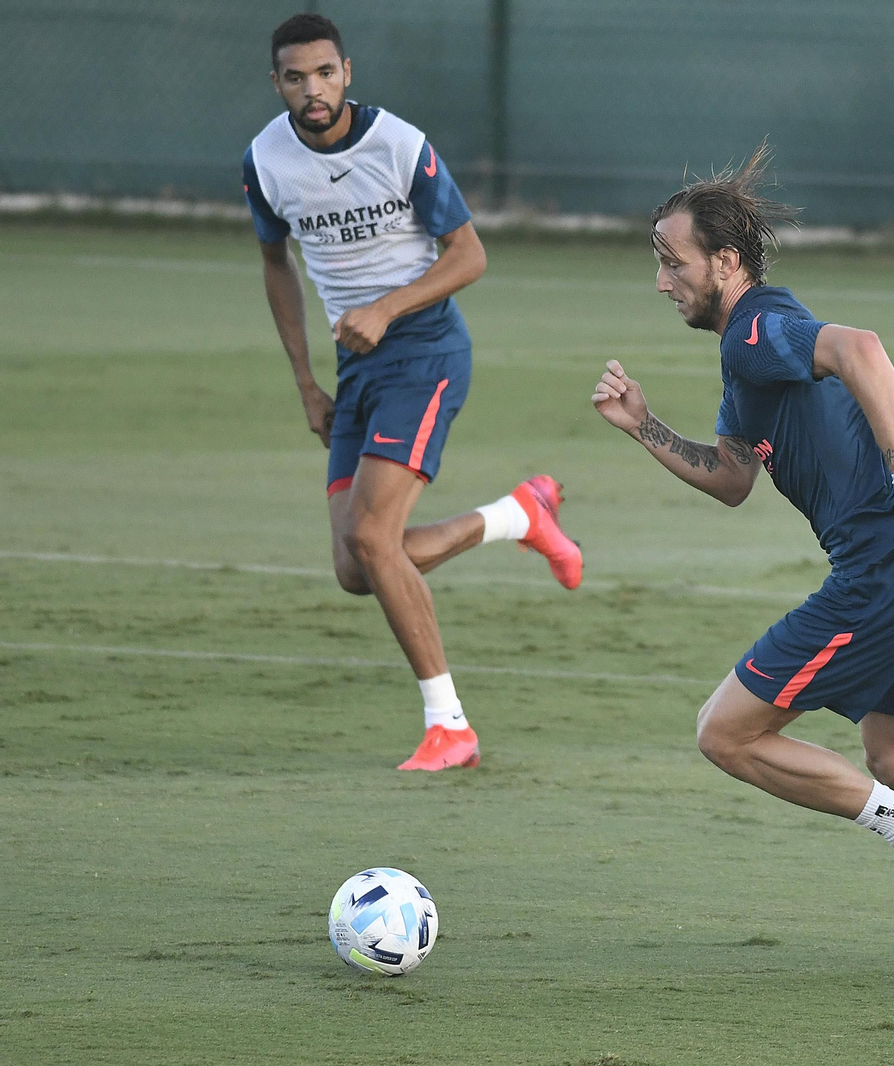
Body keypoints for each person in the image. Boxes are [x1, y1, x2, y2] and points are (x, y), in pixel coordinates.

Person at [590, 147, 894, 976]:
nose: (663, 280)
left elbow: (863, 349)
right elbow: (733, 476)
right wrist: (643, 424)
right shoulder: (744, 357)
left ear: (726, 261)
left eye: (673, 262)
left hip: (886, 565)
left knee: (727, 733)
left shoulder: (757, 328)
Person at [244, 13, 583, 771]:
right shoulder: (265, 160)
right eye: (296, 78)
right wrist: (305, 382)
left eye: (325, 73)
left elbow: (470, 255)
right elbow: (276, 264)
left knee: (372, 538)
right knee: (355, 569)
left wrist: (387, 307)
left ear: (347, 72)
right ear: (277, 84)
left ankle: (449, 726)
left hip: (425, 350)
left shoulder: (397, 144)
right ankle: (516, 514)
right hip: (355, 365)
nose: (313, 90)